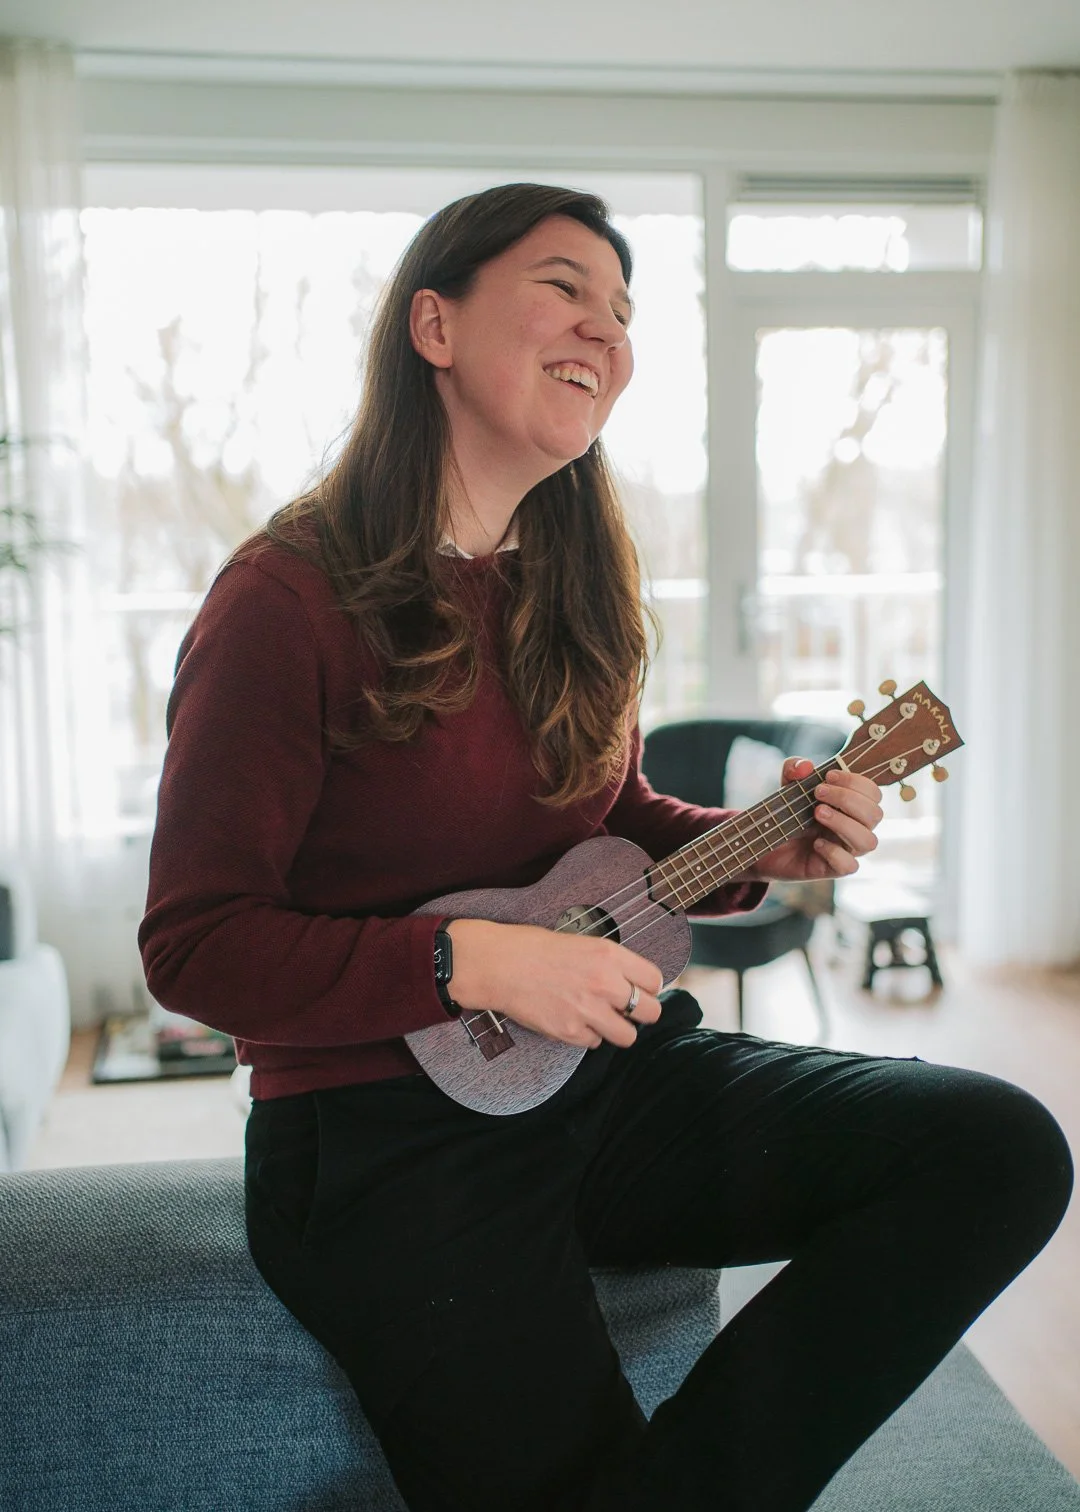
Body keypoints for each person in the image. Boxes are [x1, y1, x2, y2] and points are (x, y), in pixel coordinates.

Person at [139, 182, 1072, 1512]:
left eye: (626, 313)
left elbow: (610, 826)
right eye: (567, 287)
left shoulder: (574, 595)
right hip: (378, 1144)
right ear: (436, 325)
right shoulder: (285, 602)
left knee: (998, 1148)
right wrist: (472, 966)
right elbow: (194, 944)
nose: (607, 330)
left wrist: (767, 846)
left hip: (604, 1085)